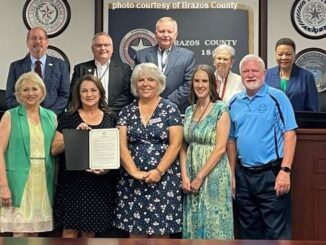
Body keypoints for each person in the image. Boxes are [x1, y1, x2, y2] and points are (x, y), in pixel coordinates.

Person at [228, 54, 297, 239]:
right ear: (240, 75)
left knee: (277, 234)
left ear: (264, 74)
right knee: (249, 233)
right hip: (243, 177)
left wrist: (285, 171)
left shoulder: (277, 97)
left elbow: (289, 134)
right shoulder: (234, 102)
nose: (250, 75)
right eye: (246, 71)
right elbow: (231, 140)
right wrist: (232, 175)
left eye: (255, 71)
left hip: (272, 174)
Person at [114, 63, 183, 237]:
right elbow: (121, 145)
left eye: (150, 79)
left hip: (164, 180)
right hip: (132, 181)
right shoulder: (126, 112)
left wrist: (158, 171)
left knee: (162, 234)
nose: (145, 84)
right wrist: (134, 172)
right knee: (135, 235)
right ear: (135, 84)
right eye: (141, 80)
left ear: (159, 83)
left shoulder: (170, 109)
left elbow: (176, 144)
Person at [51, 74, 117, 238]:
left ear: (100, 93)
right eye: (84, 91)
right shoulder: (67, 118)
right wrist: (73, 135)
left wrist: (106, 170)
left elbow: (117, 152)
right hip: (72, 184)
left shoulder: (111, 118)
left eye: (93, 90)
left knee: (90, 232)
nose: (89, 94)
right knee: (69, 231)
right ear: (78, 95)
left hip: (99, 184)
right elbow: (54, 149)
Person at [0, 72, 57, 236]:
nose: (30, 93)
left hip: (42, 183)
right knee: (19, 235)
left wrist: (80, 133)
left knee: (35, 235)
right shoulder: (10, 116)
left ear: (42, 92)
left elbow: (56, 146)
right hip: (18, 182)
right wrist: (4, 187)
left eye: (34, 89)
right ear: (18, 94)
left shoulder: (51, 117)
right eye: (25, 90)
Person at [180, 65, 233, 239]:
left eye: (205, 81)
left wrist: (200, 177)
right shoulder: (189, 110)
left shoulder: (221, 109)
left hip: (213, 173)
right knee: (194, 220)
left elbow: (220, 149)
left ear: (212, 84)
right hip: (191, 171)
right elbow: (183, 145)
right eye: (197, 81)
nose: (200, 85)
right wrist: (185, 176)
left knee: (214, 223)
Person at [134, 17, 196, 113]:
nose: (165, 35)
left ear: (175, 35)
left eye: (169, 31)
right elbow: (136, 82)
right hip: (147, 110)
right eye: (162, 31)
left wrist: (165, 103)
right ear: (156, 33)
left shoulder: (187, 56)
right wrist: (152, 102)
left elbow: (188, 85)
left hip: (176, 110)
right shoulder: (141, 55)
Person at [6, 27, 70, 115]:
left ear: (47, 42)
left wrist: (48, 114)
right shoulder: (15, 67)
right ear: (27, 43)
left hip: (53, 119)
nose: (37, 41)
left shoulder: (61, 65)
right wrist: (27, 113)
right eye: (33, 38)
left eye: (41, 38)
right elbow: (10, 97)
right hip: (24, 119)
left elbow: (64, 96)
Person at [70, 32, 133, 115]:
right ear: (92, 49)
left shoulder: (124, 69)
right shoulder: (80, 69)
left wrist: (107, 112)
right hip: (87, 116)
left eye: (106, 45)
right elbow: (74, 93)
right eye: (99, 45)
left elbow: (126, 95)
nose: (103, 48)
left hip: (115, 116)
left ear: (112, 48)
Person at [265, 37, 319, 111]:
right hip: (272, 121)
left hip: (297, 121)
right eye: (280, 54)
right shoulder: (267, 75)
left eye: (288, 54)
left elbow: (313, 108)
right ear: (276, 54)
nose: (284, 57)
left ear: (294, 54)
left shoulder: (307, 77)